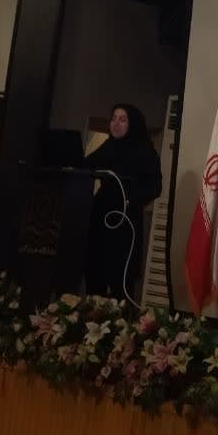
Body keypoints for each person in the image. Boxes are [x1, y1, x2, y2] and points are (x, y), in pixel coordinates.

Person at [83, 103, 161, 298]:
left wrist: (130, 199)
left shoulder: (145, 151)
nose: (116, 123)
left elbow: (154, 187)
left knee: (121, 280)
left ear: (133, 124)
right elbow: (84, 167)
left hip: (125, 220)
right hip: (100, 218)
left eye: (123, 119)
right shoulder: (108, 146)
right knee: (95, 275)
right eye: (113, 119)